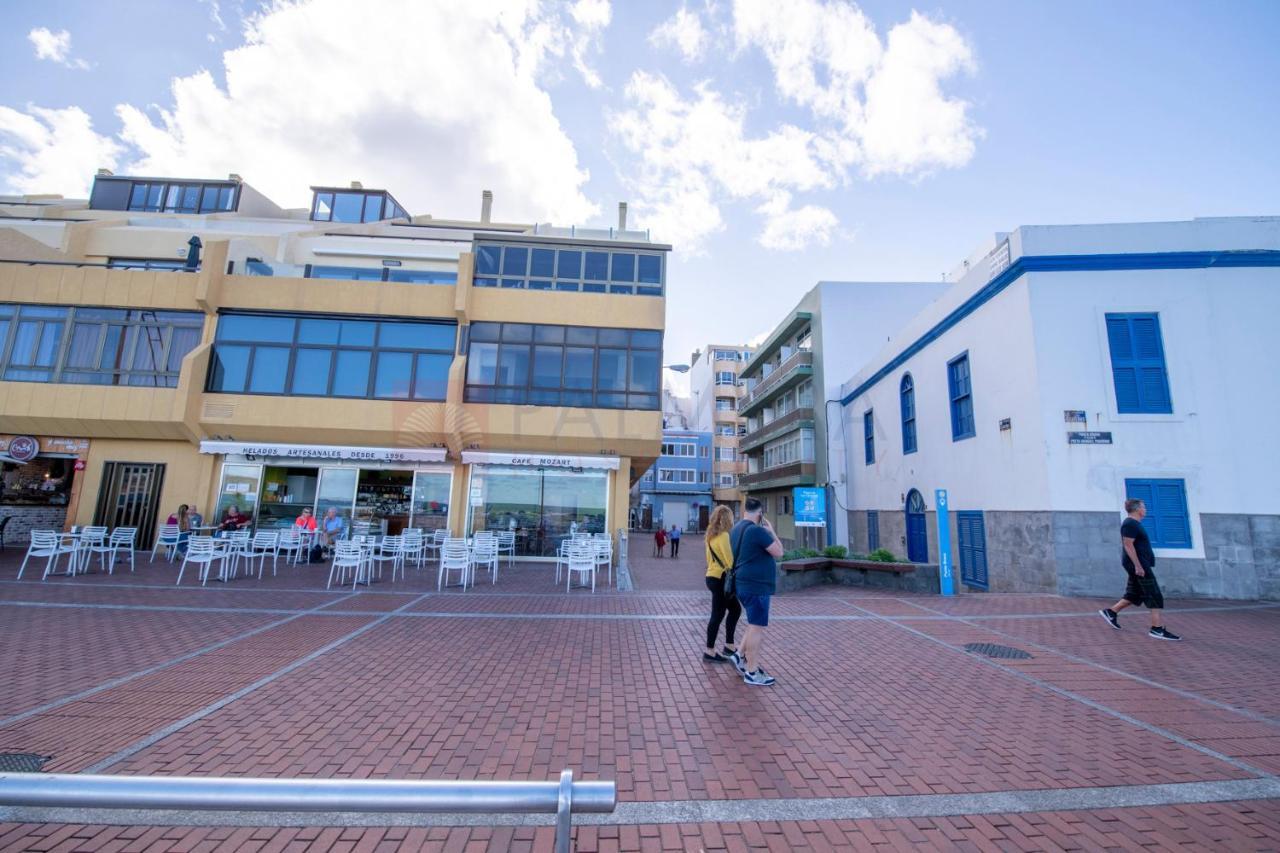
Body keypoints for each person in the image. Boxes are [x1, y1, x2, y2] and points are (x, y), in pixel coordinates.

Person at [1099, 499, 1181, 640]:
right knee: (1154, 594)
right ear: (1137, 509)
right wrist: (1138, 565)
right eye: (1144, 507)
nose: (1146, 509)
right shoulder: (1130, 524)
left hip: (1140, 564)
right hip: (1138, 565)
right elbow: (1128, 545)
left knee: (1135, 593)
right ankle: (1156, 629)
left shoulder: (1134, 524)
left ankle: (1111, 612)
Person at [730, 497, 785, 686]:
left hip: (743, 584)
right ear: (760, 514)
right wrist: (772, 532)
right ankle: (752, 672)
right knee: (757, 628)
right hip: (757, 586)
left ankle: (738, 655)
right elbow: (779, 552)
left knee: (754, 624)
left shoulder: (736, 529)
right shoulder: (757, 531)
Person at [702, 506, 742, 665]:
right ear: (727, 519)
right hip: (720, 579)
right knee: (718, 615)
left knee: (733, 609)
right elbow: (729, 561)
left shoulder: (710, 536)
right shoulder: (724, 536)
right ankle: (710, 651)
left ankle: (729, 646)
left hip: (712, 576)